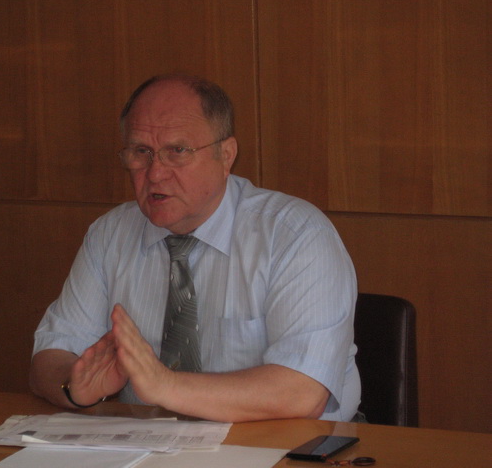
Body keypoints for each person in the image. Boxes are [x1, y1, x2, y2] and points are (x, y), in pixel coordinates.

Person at [30, 74, 360, 423]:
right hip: (144, 443)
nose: (155, 174)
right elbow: (49, 357)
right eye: (141, 152)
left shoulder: (294, 234)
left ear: (226, 155)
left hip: (283, 444)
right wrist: (75, 387)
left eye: (177, 151)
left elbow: (302, 394)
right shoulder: (110, 234)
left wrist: (165, 385)